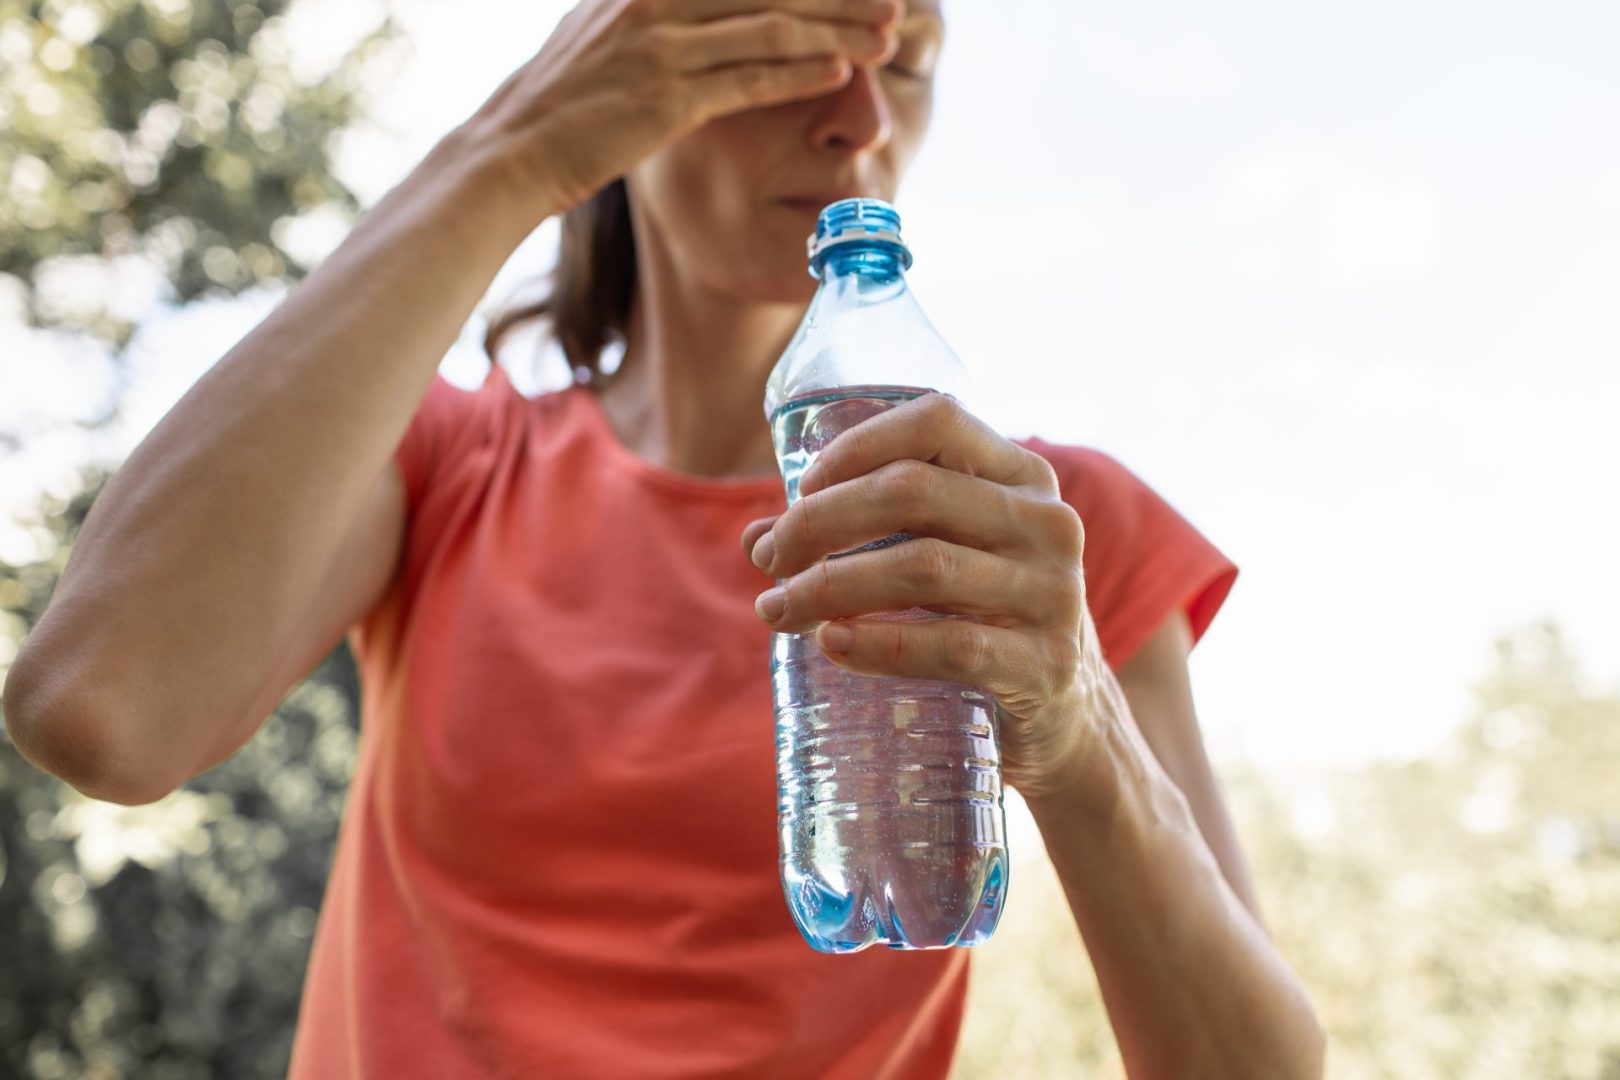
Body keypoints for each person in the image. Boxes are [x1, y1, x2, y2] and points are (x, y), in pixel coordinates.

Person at [4, 0, 1325, 1075]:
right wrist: (514, 147)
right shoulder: (452, 464)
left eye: (909, 65)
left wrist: (1076, 716)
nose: (859, 118)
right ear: (641, 66)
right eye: (798, 53)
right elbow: (99, 710)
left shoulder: (1024, 534)